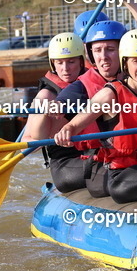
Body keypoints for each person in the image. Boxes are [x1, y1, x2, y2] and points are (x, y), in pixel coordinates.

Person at [55, 29, 137, 204]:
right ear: (125, 63)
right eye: (136, 61)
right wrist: (65, 131)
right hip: (121, 173)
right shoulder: (110, 94)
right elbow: (74, 126)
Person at [41, 19, 127, 197]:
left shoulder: (135, 76)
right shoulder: (82, 85)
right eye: (97, 51)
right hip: (75, 163)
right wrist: (56, 106)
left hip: (123, 154)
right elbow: (64, 100)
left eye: (110, 49)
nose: (103, 56)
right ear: (91, 54)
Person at [24, 32, 87, 192]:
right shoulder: (45, 96)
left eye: (71, 62)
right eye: (59, 63)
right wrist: (44, 115)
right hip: (65, 161)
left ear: (81, 61)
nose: (65, 69)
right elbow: (28, 143)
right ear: (53, 64)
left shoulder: (94, 81)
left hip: (92, 152)